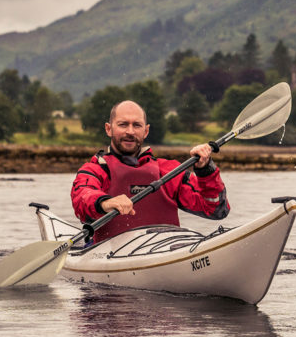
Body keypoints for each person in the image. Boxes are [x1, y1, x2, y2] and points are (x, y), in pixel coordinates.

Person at [71, 99, 229, 243]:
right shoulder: (95, 169)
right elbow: (82, 197)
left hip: (163, 253)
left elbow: (216, 210)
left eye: (137, 125)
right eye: (123, 124)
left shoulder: (168, 171)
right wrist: (104, 202)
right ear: (108, 129)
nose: (130, 131)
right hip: (109, 255)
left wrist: (205, 169)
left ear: (146, 131)